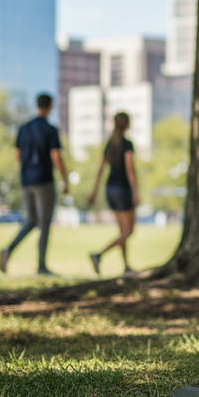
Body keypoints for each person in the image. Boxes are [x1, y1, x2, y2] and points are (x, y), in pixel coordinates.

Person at [0, 93, 69, 275]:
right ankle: (41, 266)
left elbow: (18, 155)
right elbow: (56, 156)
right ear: (50, 107)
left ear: (37, 105)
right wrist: (65, 179)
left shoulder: (23, 129)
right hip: (44, 181)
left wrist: (28, 170)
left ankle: (8, 250)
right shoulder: (50, 129)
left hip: (26, 181)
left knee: (31, 220)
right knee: (44, 223)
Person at [86, 112, 139, 275]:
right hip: (122, 189)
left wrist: (94, 191)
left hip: (110, 189)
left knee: (122, 232)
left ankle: (126, 266)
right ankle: (99, 254)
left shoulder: (110, 144)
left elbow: (100, 169)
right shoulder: (127, 145)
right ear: (127, 125)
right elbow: (130, 170)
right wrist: (135, 191)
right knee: (129, 231)